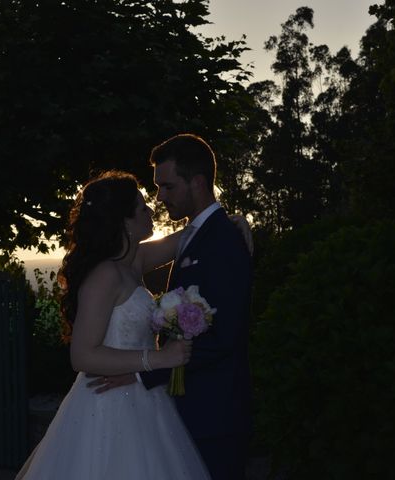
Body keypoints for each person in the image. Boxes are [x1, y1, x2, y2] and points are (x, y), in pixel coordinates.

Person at [15, 170, 211, 479]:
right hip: (107, 406)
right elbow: (82, 355)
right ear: (125, 221)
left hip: (144, 396)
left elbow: (193, 235)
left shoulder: (133, 261)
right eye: (142, 207)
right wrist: (155, 359)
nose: (151, 211)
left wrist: (233, 222)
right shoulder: (105, 275)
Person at [92, 134, 253, 480]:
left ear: (197, 182)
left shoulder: (224, 241)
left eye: (166, 186)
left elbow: (223, 338)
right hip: (180, 409)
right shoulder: (194, 234)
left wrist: (144, 372)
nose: (159, 197)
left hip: (212, 415)